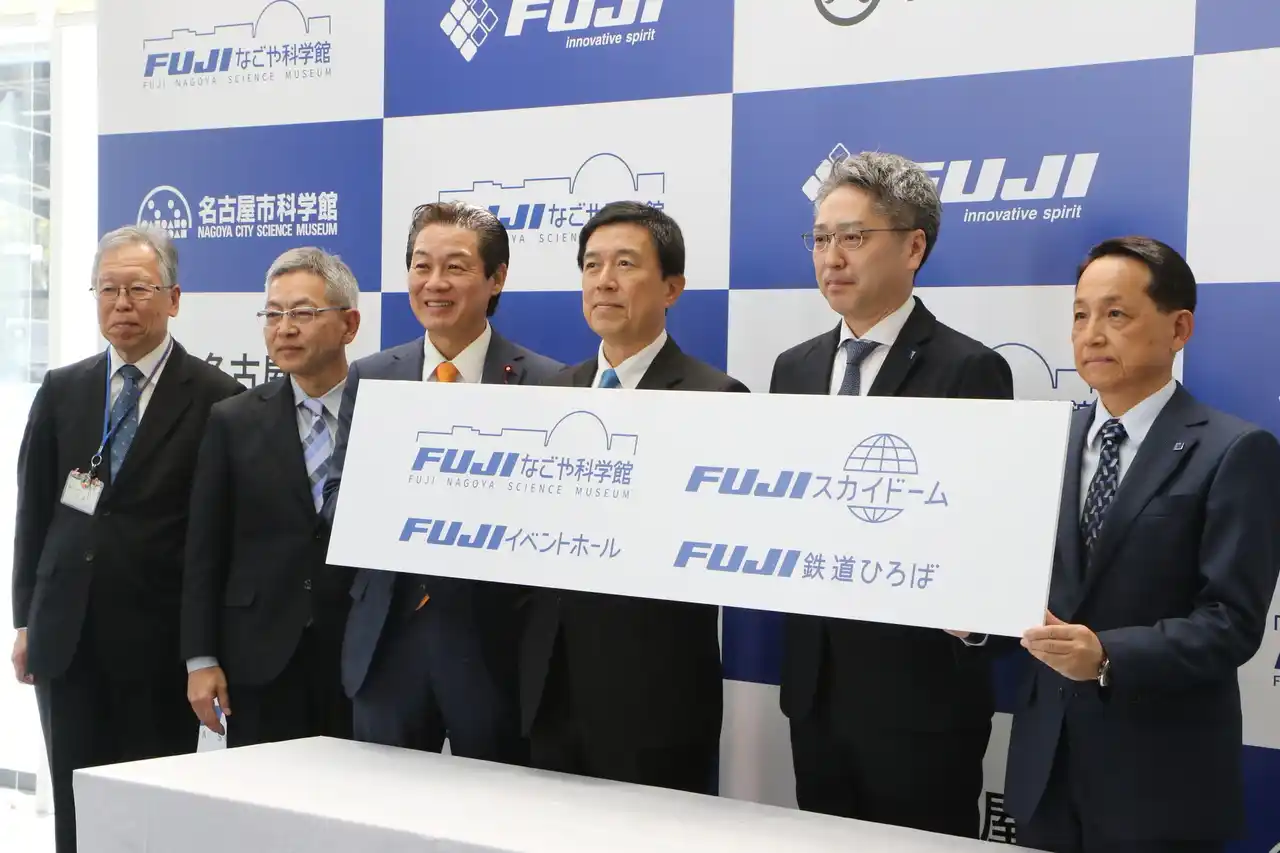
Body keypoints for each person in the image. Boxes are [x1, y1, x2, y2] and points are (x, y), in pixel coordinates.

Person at [973, 236, 1280, 853]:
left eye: (1116, 314)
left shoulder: (1234, 451)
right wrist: (978, 621)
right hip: (1045, 771)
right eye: (1080, 315)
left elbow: (1232, 622)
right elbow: (1027, 586)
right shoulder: (1045, 440)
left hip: (1161, 780)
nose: (1091, 334)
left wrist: (1107, 655)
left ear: (1179, 328)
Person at [771, 151, 1013, 837]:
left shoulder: (969, 369)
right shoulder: (794, 368)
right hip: (816, 692)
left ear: (913, 247)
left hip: (920, 701)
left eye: (853, 237)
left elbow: (985, 529)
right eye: (821, 238)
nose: (832, 257)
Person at [10, 223, 244, 852]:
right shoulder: (64, 389)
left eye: (138, 289)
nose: (121, 304)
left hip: (158, 642)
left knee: (148, 815)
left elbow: (217, 538)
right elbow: (34, 510)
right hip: (66, 634)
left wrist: (204, 651)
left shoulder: (219, 400)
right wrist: (26, 618)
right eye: (107, 289)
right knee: (74, 807)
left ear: (173, 298)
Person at [519, 200, 748, 794]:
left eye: (625, 264)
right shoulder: (552, 391)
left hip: (655, 692)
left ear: (672, 288)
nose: (604, 281)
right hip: (549, 680)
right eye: (592, 265)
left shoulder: (716, 398)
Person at [321, 201, 561, 764]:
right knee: (381, 806)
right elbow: (335, 500)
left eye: (455, 267)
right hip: (387, 642)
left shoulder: (545, 384)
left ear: (496, 279)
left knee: (495, 806)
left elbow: (551, 522)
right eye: (421, 265)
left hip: (494, 646)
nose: (434, 283)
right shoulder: (373, 376)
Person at [181, 247, 362, 747]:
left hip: (362, 656)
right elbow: (205, 548)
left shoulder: (383, 412)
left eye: (302, 313)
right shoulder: (233, 419)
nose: (284, 329)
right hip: (259, 657)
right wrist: (201, 658)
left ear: (349, 325)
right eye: (273, 314)